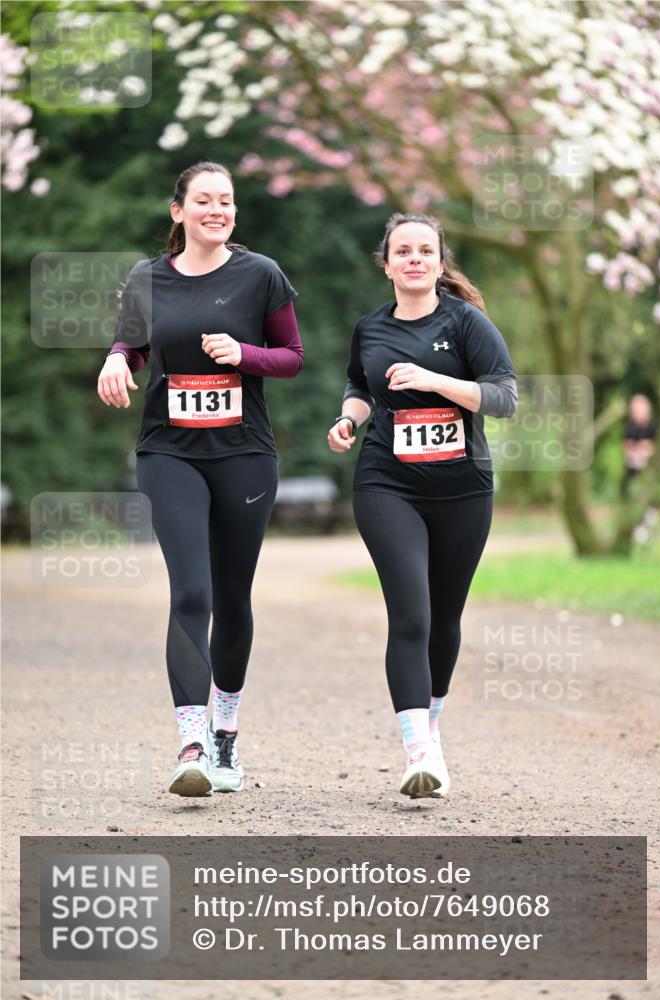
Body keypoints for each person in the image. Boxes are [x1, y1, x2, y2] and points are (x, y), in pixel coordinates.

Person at [97, 161, 303, 797]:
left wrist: (244, 355)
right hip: (170, 451)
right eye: (205, 200)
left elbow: (292, 358)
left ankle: (226, 733)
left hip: (244, 454)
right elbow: (133, 343)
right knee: (191, 590)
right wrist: (116, 359)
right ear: (178, 211)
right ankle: (191, 742)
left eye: (227, 201)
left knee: (233, 598)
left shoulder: (261, 274)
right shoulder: (148, 277)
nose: (217, 210)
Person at [328, 213, 516, 799]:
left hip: (463, 489)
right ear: (386, 265)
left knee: (445, 617)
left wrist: (435, 381)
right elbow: (360, 386)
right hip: (388, 483)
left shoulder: (466, 323)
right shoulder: (370, 328)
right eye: (403, 251)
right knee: (411, 613)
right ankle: (417, 751)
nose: (415, 259)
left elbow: (504, 397)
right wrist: (348, 420)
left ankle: (431, 726)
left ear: (439, 262)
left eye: (425, 251)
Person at [622, 393, 657, 497]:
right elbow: (626, 444)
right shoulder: (630, 427)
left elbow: (654, 445)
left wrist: (646, 447)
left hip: (648, 460)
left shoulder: (652, 427)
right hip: (633, 461)